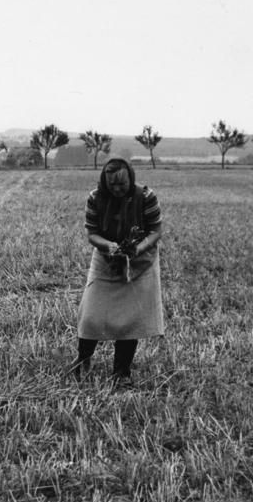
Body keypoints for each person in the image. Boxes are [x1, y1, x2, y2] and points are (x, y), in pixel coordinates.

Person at [72, 158, 163, 385]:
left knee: (129, 320)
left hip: (140, 262)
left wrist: (137, 249)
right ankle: (83, 360)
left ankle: (121, 372)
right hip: (105, 259)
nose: (117, 189)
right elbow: (91, 233)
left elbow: (155, 231)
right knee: (91, 315)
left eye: (122, 184)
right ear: (105, 182)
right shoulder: (95, 198)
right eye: (112, 184)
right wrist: (108, 245)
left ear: (130, 178)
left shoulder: (146, 197)